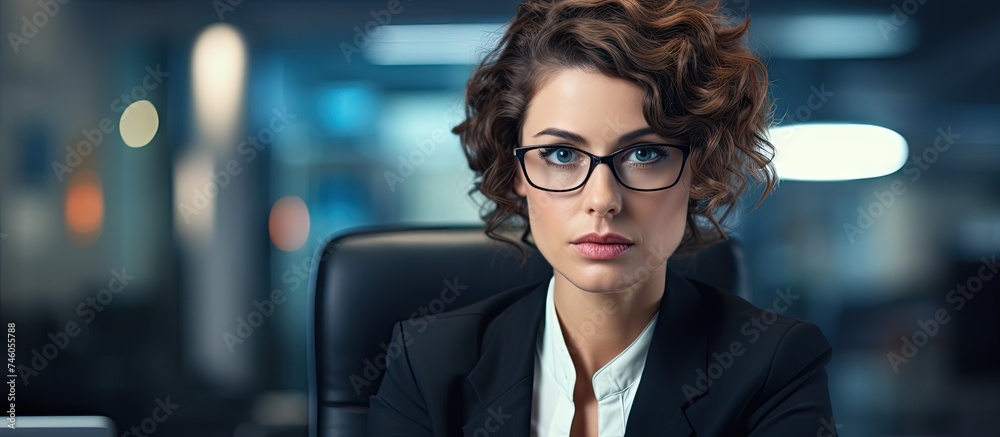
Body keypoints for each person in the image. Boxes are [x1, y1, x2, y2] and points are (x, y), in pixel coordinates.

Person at [368, 0, 837, 435]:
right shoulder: (427, 363)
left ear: (698, 169)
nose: (603, 199)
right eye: (560, 153)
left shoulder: (774, 368)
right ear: (517, 172)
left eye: (645, 153)